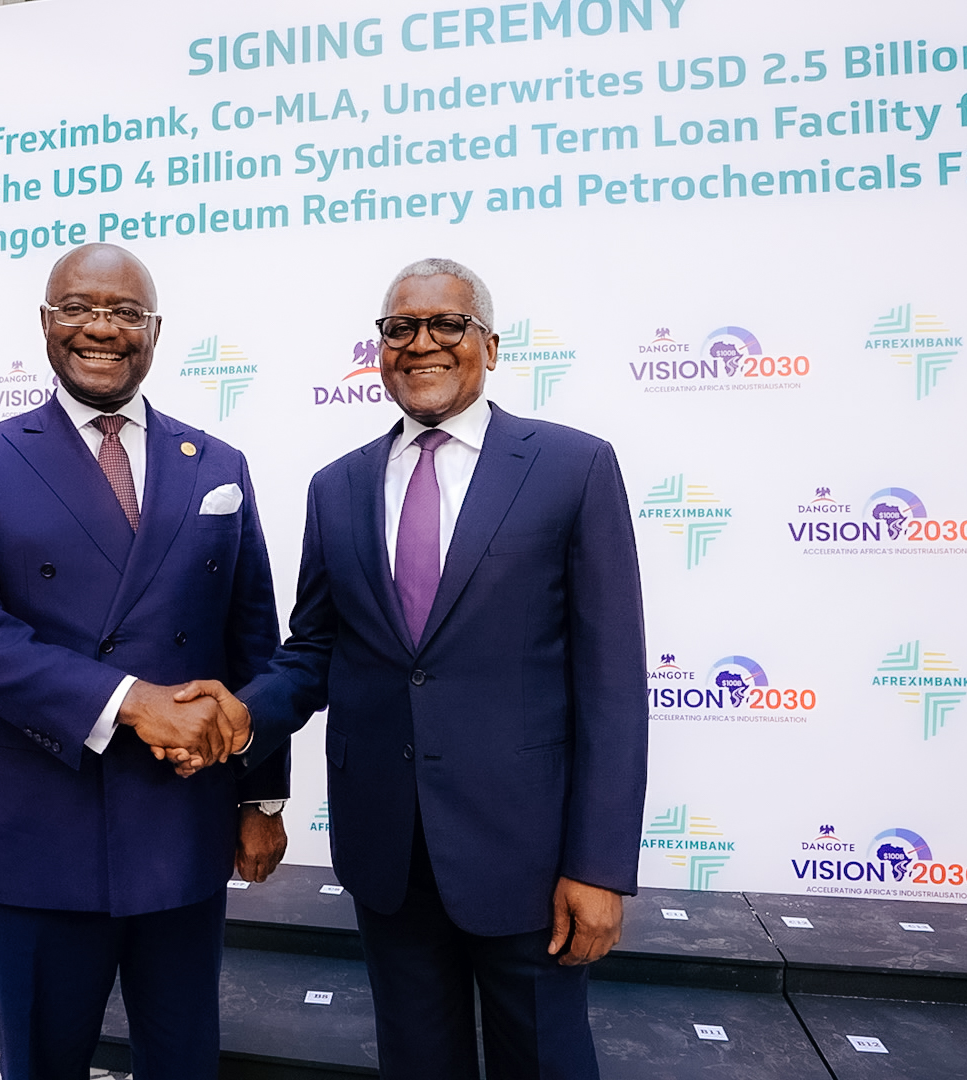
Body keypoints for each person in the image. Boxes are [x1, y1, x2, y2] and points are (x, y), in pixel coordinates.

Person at [196, 258, 647, 1079]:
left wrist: (600, 866)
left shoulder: (573, 469)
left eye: (447, 325)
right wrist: (242, 714)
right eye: (399, 329)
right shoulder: (337, 488)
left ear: (491, 345)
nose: (422, 344)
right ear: (379, 348)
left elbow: (613, 687)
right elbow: (315, 649)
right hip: (390, 857)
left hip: (531, 862)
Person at [0, 243, 289, 1080]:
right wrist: (129, 700)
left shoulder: (218, 464)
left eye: (125, 312)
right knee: (43, 1060)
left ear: (155, 331)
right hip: (35, 828)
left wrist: (260, 795)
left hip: (184, 823)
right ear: (46, 323)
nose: (102, 329)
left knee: (184, 1058)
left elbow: (251, 642)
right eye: (79, 308)